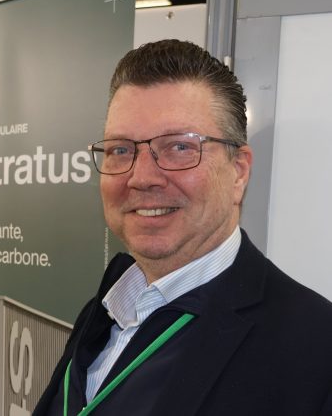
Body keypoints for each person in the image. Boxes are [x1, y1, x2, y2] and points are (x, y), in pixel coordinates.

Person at [33, 40, 332, 416]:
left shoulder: (315, 351)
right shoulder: (104, 310)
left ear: (238, 172)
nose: (142, 178)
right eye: (121, 150)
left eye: (179, 147)